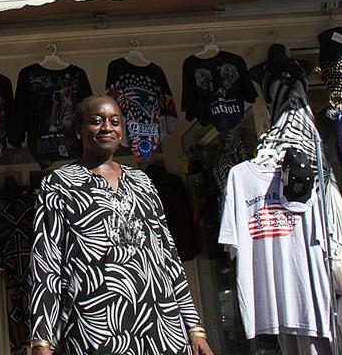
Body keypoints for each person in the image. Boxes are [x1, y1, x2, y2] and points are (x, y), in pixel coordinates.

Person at [29, 95, 213, 355]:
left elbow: (168, 257)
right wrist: (42, 341)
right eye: (96, 121)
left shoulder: (142, 182)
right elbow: (46, 263)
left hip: (162, 325)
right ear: (79, 131)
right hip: (96, 328)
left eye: (114, 121)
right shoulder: (59, 184)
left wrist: (194, 327)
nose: (107, 127)